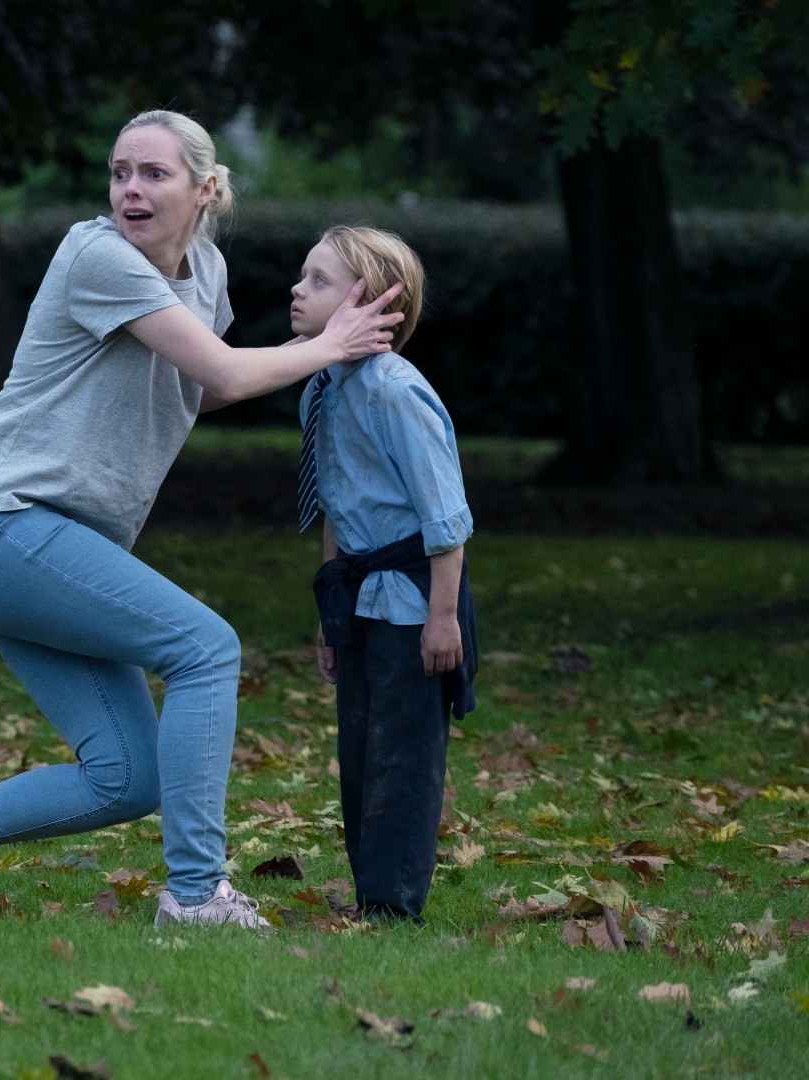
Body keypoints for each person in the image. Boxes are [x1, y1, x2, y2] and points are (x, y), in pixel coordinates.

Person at [0, 110, 405, 929]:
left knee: (127, 776)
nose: (130, 190)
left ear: (206, 190)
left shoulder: (203, 269)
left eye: (153, 174)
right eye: (119, 172)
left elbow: (202, 386)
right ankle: (197, 892)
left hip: (39, 542)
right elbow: (221, 371)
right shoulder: (96, 254)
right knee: (206, 646)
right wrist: (332, 345)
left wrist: (324, 374)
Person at [292, 225, 478, 924]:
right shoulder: (321, 389)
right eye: (301, 275)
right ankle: (371, 889)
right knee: (360, 747)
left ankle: (395, 904)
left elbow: (446, 516)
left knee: (403, 754)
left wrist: (442, 615)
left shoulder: (395, 393)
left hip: (414, 601)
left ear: (368, 301)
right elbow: (334, 507)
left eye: (318, 280)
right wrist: (330, 614)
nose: (296, 290)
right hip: (358, 598)